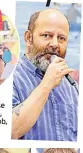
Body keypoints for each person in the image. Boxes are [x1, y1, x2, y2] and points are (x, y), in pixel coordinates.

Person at [11, 9, 77, 141]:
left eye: (61, 38)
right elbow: (9, 130)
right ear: (29, 38)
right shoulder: (10, 79)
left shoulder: (72, 86)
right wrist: (46, 84)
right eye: (46, 35)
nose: (54, 44)